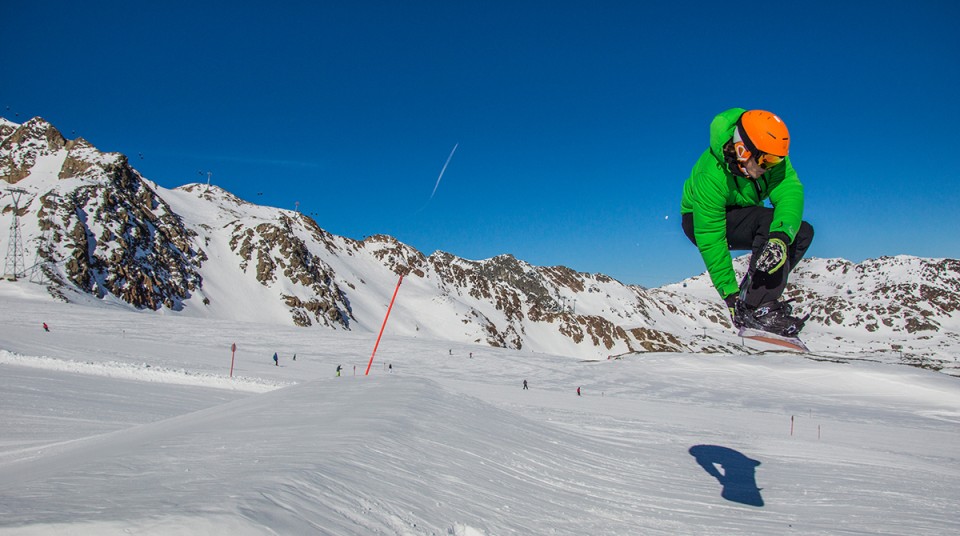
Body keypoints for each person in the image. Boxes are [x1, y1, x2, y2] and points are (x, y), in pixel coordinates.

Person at [680, 108, 814, 338]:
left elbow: (789, 192)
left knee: (800, 232)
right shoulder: (711, 174)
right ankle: (751, 309)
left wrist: (780, 239)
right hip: (699, 220)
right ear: (742, 149)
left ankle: (756, 302)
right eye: (766, 160)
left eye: (777, 160)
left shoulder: (771, 160)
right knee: (769, 222)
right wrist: (730, 295)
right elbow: (711, 236)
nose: (769, 167)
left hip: (742, 210)